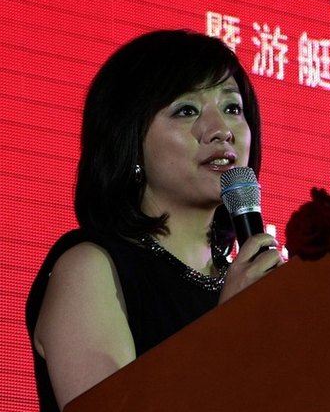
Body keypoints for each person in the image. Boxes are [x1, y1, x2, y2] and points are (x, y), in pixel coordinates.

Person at [24, 30, 284, 411]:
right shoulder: (92, 267)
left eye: (232, 108)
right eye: (186, 111)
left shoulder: (246, 283)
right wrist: (227, 330)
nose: (220, 130)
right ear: (129, 139)